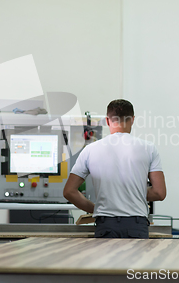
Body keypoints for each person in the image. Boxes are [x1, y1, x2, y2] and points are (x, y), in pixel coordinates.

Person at [63, 99, 166, 238]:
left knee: (106, 261)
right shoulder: (148, 148)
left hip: (106, 224)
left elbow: (69, 191)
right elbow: (160, 193)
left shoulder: (90, 150)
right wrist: (133, 192)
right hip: (136, 224)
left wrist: (96, 208)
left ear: (107, 120)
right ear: (133, 119)